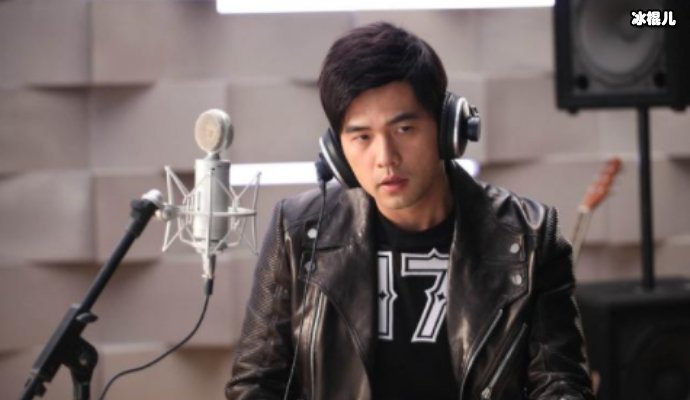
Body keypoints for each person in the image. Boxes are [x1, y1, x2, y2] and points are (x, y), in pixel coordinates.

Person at [226, 22, 595, 400]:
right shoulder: (298, 231)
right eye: (362, 137)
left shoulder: (529, 237)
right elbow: (255, 385)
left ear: (448, 127)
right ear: (336, 152)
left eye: (404, 129)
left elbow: (560, 384)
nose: (385, 158)